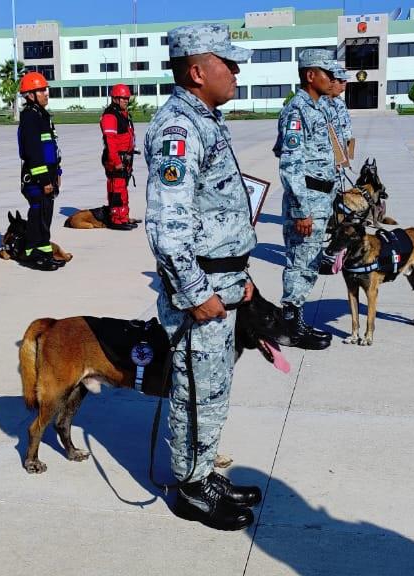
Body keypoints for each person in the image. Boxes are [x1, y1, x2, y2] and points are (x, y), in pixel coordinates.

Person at [145, 23, 263, 531]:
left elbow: (214, 212)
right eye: (227, 62)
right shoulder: (180, 128)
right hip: (201, 290)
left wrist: (240, 277)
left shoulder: (207, 121)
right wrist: (196, 294)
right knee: (195, 391)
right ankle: (190, 488)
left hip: (222, 281)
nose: (236, 71)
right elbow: (168, 229)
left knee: (212, 390)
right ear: (197, 71)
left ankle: (203, 472)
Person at [274, 49, 340, 350]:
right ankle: (289, 327)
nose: (333, 78)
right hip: (307, 202)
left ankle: (295, 321)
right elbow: (289, 162)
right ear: (310, 75)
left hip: (320, 198)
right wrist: (301, 209)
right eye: (327, 73)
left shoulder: (319, 107)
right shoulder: (297, 111)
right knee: (300, 263)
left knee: (310, 262)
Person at [16, 71, 64, 272]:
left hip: (48, 178)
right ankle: (33, 255)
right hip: (37, 181)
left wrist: (57, 173)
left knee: (45, 217)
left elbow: (51, 149)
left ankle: (44, 252)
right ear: (30, 95)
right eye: (41, 90)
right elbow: (34, 154)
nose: (46, 93)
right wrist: (44, 180)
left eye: (45, 89)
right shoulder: (30, 118)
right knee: (38, 217)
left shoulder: (42, 116)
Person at [100, 83, 138, 230]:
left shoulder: (124, 114)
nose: (126, 101)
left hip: (125, 159)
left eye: (127, 98)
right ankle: (116, 219)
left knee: (122, 189)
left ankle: (123, 217)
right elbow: (110, 141)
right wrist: (116, 161)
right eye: (123, 98)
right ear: (115, 98)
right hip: (115, 159)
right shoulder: (110, 115)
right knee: (116, 189)